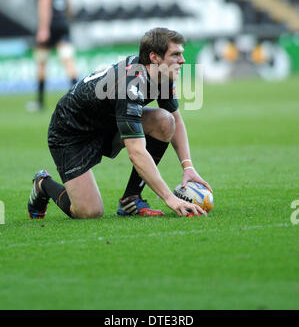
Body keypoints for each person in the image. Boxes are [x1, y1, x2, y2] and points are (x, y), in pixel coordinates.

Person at [27, 27, 212, 219]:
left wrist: (188, 167)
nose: (182, 60)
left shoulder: (163, 75)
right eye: (175, 55)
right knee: (89, 212)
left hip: (108, 123)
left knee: (165, 121)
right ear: (154, 57)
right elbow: (136, 152)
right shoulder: (130, 86)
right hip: (71, 133)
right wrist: (170, 198)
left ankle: (131, 199)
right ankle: (43, 184)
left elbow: (176, 120)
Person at [26, 0, 78, 112]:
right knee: (68, 61)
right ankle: (76, 98)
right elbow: (69, 6)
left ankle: (40, 102)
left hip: (50, 26)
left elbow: (45, 4)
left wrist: (43, 29)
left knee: (41, 61)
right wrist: (65, 22)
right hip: (63, 25)